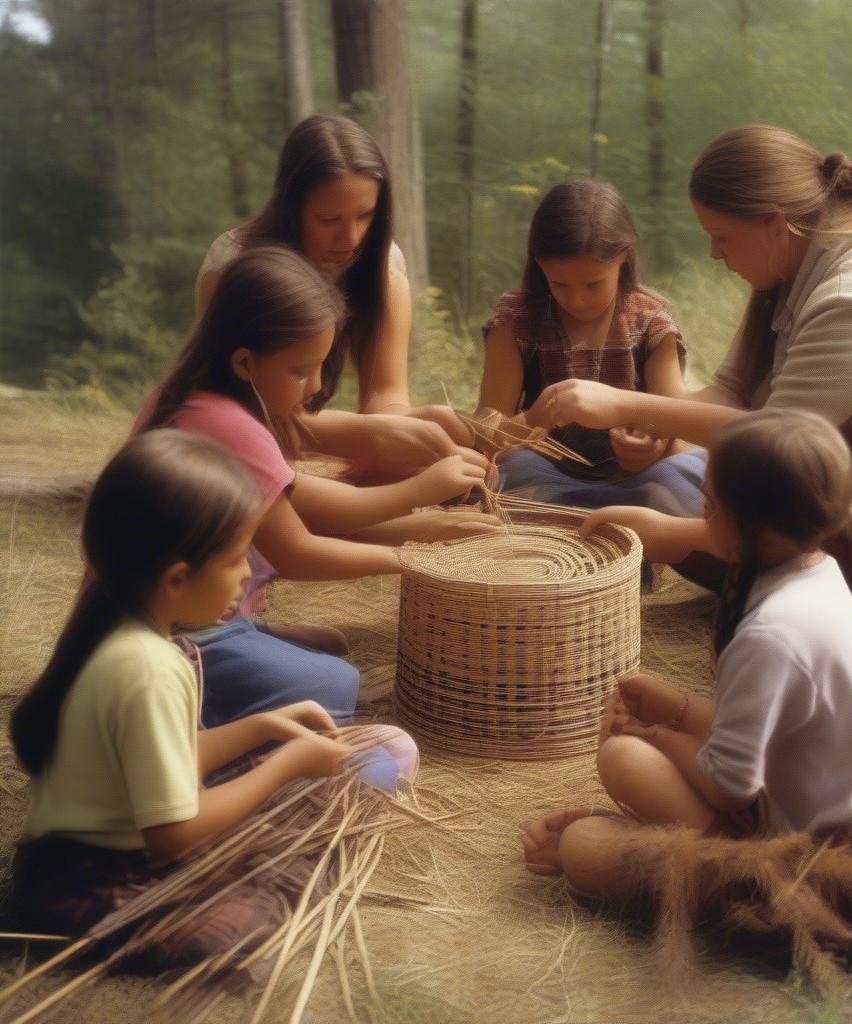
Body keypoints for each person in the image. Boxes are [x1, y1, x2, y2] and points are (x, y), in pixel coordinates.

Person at [533, 125, 852, 668]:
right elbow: (733, 392)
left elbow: (776, 438)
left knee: (751, 508)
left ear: (772, 222)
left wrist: (630, 414)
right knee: (693, 495)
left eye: (721, 236)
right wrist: (661, 433)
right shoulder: (796, 271)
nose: (716, 253)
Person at [522, 410, 852, 980]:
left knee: (583, 846)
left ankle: (677, 861)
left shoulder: (771, 633)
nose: (701, 512)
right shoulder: (817, 573)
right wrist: (676, 707)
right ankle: (664, 841)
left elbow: (732, 786)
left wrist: (660, 733)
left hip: (817, 869)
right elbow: (775, 738)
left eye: (707, 503)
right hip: (844, 830)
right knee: (620, 756)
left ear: (731, 521)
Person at [7, 430, 418, 960]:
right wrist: (287, 763)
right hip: (95, 885)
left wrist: (263, 727)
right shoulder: (148, 667)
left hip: (98, 852)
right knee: (260, 900)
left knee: (384, 745)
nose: (248, 575)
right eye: (235, 559)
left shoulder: (123, 635)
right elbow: (173, 836)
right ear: (177, 578)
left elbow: (163, 764)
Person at [139, 246, 492, 726]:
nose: (314, 386)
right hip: (176, 633)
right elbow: (298, 551)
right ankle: (218, 667)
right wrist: (419, 539)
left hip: (196, 608)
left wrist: (422, 525)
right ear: (245, 361)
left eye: (323, 366)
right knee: (336, 684)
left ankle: (250, 636)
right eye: (300, 369)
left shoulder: (208, 399)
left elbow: (324, 509)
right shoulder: (225, 426)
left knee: (331, 651)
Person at [195, 112, 467, 448]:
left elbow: (385, 394)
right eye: (328, 219)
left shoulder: (381, 263)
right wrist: (374, 434)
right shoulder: (234, 265)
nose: (351, 239)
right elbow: (232, 414)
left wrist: (419, 424)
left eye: (365, 215)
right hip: (245, 442)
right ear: (290, 208)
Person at [477, 179, 706, 517]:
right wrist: (535, 418)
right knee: (505, 471)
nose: (577, 299)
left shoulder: (651, 323)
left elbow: (680, 424)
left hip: (637, 482)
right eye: (560, 283)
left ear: (624, 259)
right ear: (539, 265)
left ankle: (630, 547)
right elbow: (484, 437)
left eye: (593, 283)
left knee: (687, 473)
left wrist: (653, 445)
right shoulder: (515, 322)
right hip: (544, 478)